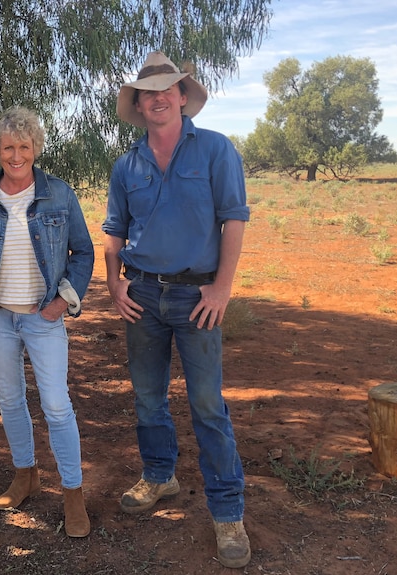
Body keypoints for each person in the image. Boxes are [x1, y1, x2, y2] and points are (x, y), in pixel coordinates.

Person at [102, 51, 251, 569]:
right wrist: (112, 284)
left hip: (197, 299)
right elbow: (114, 233)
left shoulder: (214, 150)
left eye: (168, 89)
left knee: (207, 405)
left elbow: (234, 220)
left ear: (183, 97)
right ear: (139, 105)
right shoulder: (127, 164)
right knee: (147, 398)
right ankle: (160, 476)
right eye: (148, 92)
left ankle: (228, 512)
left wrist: (222, 289)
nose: (159, 97)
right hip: (141, 296)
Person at [0, 107, 94, 538]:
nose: (16, 155)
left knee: (56, 405)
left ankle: (73, 493)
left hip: (42, 317)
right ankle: (25, 475)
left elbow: (83, 252)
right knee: (10, 401)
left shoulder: (58, 194)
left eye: (24, 147)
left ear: (35, 149)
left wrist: (62, 302)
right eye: (8, 147)